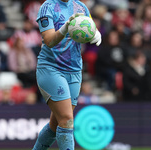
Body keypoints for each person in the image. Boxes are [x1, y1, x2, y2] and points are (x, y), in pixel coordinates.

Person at [32, 0, 101, 150]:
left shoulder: (80, 7)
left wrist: (96, 33)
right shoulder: (47, 8)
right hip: (51, 69)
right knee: (67, 120)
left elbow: (90, 25)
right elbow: (49, 41)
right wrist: (65, 28)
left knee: (55, 124)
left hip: (74, 70)